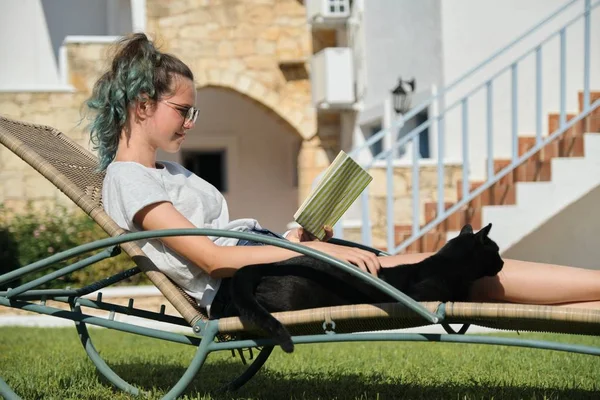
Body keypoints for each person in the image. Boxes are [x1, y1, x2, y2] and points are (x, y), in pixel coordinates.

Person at [89, 33, 600, 316]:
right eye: (184, 111)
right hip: (252, 288)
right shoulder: (129, 179)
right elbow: (212, 259)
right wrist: (317, 251)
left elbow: (231, 245)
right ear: (141, 105)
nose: (190, 122)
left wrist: (300, 234)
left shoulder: (167, 172)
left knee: (436, 265)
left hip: (269, 264)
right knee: (450, 272)